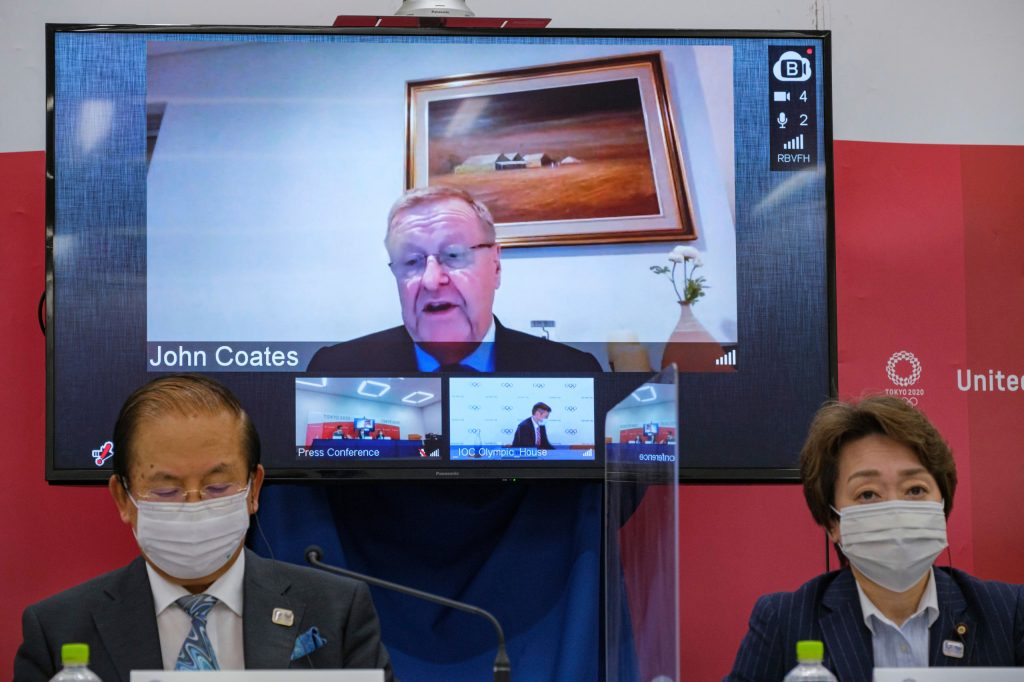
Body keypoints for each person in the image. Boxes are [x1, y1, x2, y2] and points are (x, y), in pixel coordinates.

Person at [14, 374, 394, 681]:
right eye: (166, 490)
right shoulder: (58, 629)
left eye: (217, 487)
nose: (194, 507)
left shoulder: (337, 611)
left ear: (253, 490)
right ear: (123, 499)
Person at [725, 395, 1024, 681]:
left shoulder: (1009, 613)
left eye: (915, 490)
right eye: (867, 494)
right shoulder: (784, 621)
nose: (895, 509)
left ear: (942, 505)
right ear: (832, 522)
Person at [307, 186, 602, 373]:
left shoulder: (574, 371)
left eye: (453, 255)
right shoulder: (334, 369)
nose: (431, 280)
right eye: (411, 261)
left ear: (496, 266)